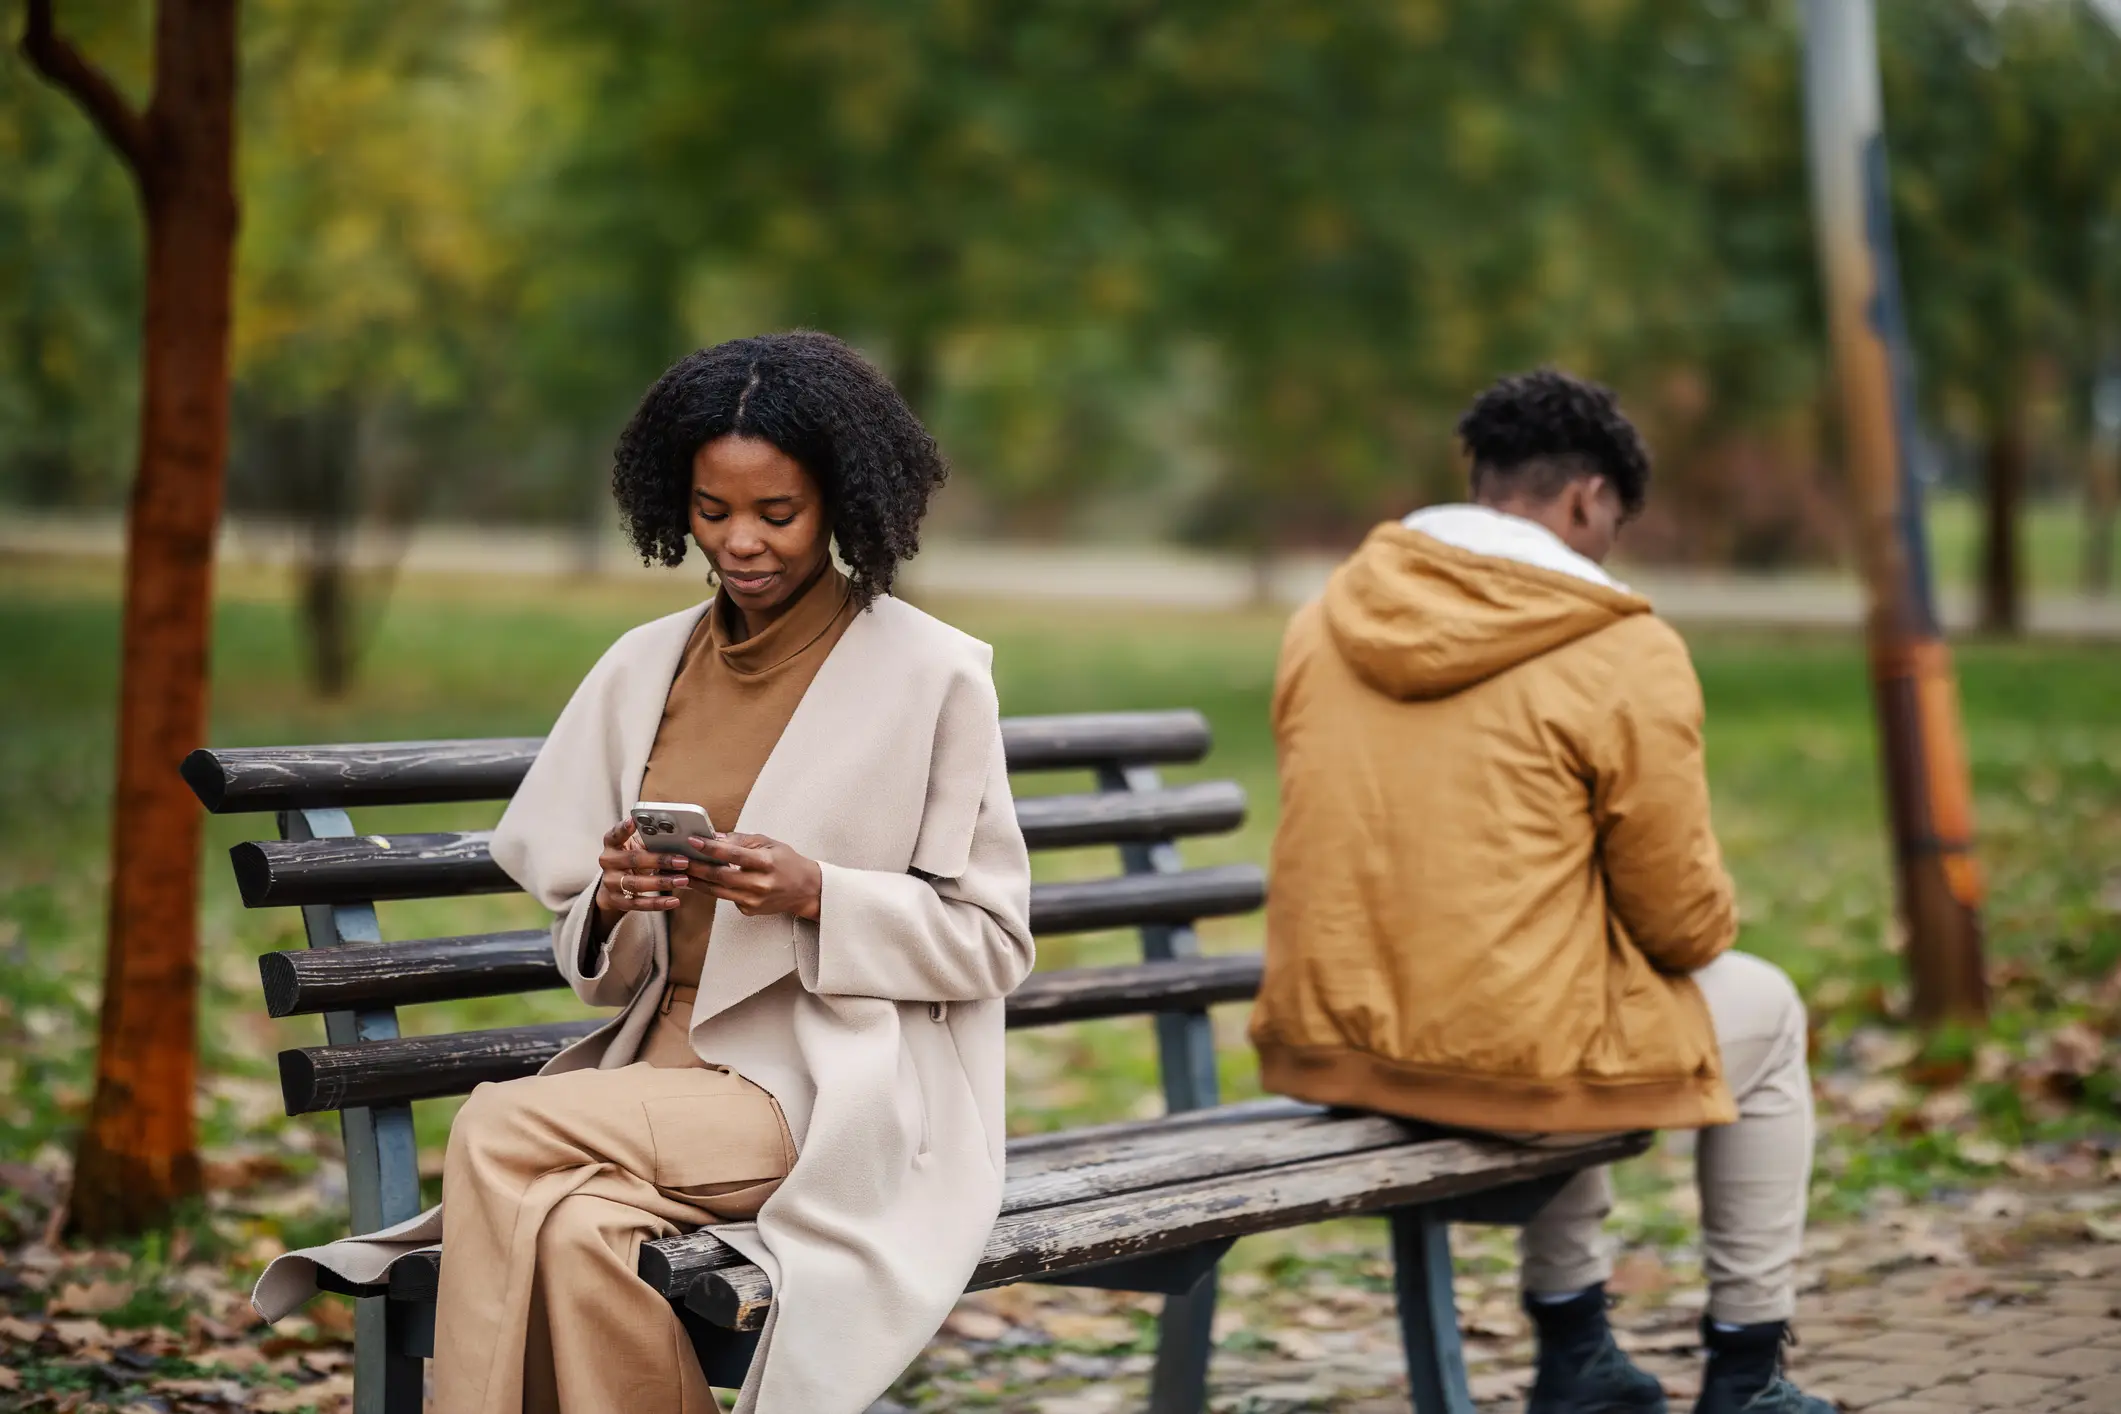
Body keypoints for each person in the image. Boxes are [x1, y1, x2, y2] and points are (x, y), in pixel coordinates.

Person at [251, 331, 1036, 1414]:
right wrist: (617, 897)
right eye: (713, 510)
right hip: (658, 1071)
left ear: (843, 504)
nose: (741, 542)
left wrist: (820, 893)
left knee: (498, 1125)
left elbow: (993, 942)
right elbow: (601, 966)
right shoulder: (643, 667)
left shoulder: (932, 674)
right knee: (577, 1231)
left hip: (828, 1088)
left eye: (778, 512)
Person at [1250, 368, 1829, 1414]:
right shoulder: (1621, 646)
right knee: (1767, 1010)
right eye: (1613, 523)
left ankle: (1578, 1350)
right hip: (1501, 1068)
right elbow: (1681, 924)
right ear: (1585, 499)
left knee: (1555, 983)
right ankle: (1747, 1370)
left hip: (1335, 1053)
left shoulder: (1322, 619)